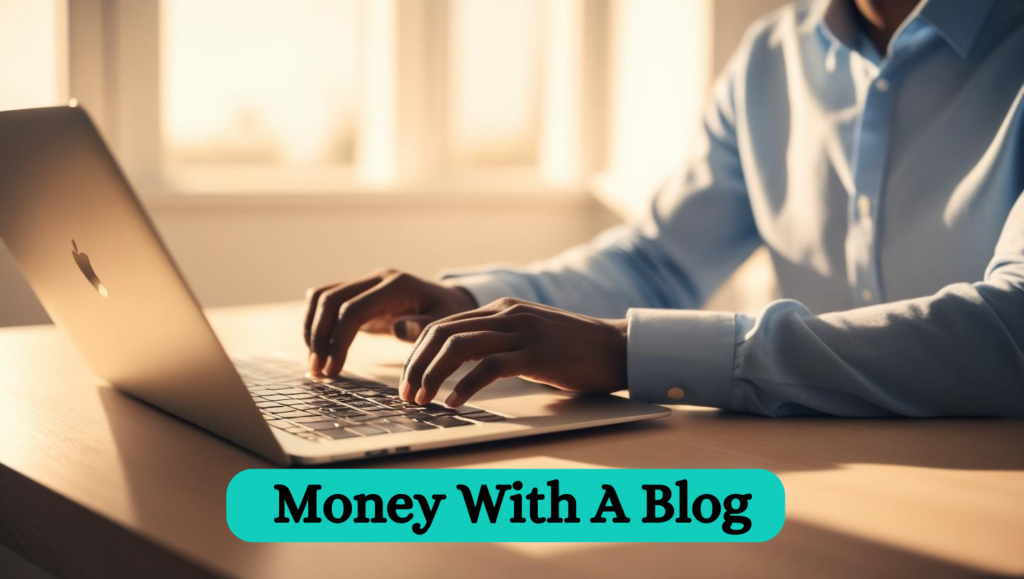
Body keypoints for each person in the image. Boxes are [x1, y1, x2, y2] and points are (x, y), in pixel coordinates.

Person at [303, 0, 1024, 417]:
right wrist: (468, 302)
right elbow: (658, 262)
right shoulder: (772, 56)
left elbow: (1009, 328)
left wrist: (629, 350)